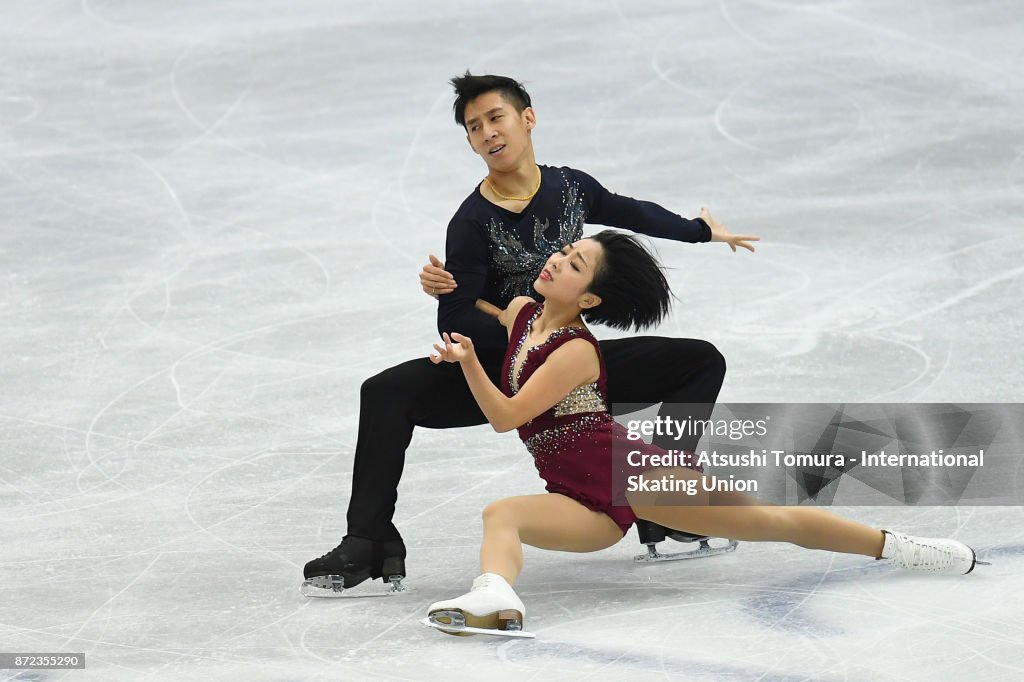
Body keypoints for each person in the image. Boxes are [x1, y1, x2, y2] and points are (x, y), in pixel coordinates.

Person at [303, 72, 760, 594]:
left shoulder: (570, 188)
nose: (488, 133)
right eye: (474, 128)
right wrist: (508, 319)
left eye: (495, 118)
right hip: (505, 371)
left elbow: (631, 212)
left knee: (698, 361)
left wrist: (701, 231)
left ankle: (664, 500)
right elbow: (454, 320)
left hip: (569, 371)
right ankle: (367, 541)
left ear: (527, 118)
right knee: (385, 393)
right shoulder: (471, 222)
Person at [424, 231, 980, 635]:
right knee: (502, 514)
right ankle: (495, 598)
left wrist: (469, 361)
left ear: (589, 299)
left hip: (629, 473)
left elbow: (505, 416)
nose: (556, 262)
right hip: (577, 496)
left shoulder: (574, 352)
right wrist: (445, 288)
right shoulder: (524, 313)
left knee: (770, 521)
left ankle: (906, 549)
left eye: (574, 266)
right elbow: (487, 310)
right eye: (566, 253)